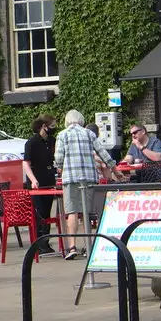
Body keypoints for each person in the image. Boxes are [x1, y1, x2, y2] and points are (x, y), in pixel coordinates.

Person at [54, 109, 112, 260]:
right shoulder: (89, 134)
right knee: (86, 211)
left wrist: (60, 165)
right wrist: (115, 169)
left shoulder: (62, 135)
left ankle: (72, 247)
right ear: (81, 120)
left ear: (67, 121)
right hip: (89, 177)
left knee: (72, 212)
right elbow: (103, 153)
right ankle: (89, 245)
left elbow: (59, 158)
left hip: (71, 178)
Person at [21, 115, 56, 237]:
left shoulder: (52, 141)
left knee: (47, 210)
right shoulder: (32, 142)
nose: (54, 128)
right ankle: (39, 240)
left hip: (49, 176)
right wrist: (33, 180)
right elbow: (26, 163)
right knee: (39, 211)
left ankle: (45, 239)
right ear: (44, 126)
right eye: (52, 126)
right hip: (36, 178)